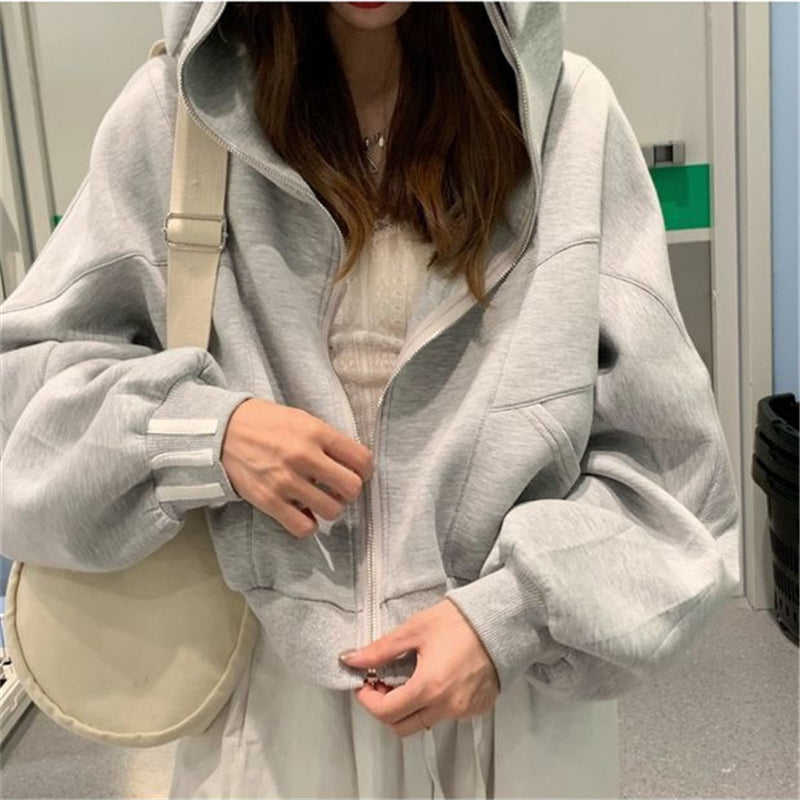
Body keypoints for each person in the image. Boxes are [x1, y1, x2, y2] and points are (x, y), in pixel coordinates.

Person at [0, 2, 741, 797]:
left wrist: (514, 613)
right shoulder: (178, 117)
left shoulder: (567, 119)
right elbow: (22, 396)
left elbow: (678, 481)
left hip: (507, 699)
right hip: (268, 700)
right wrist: (204, 433)